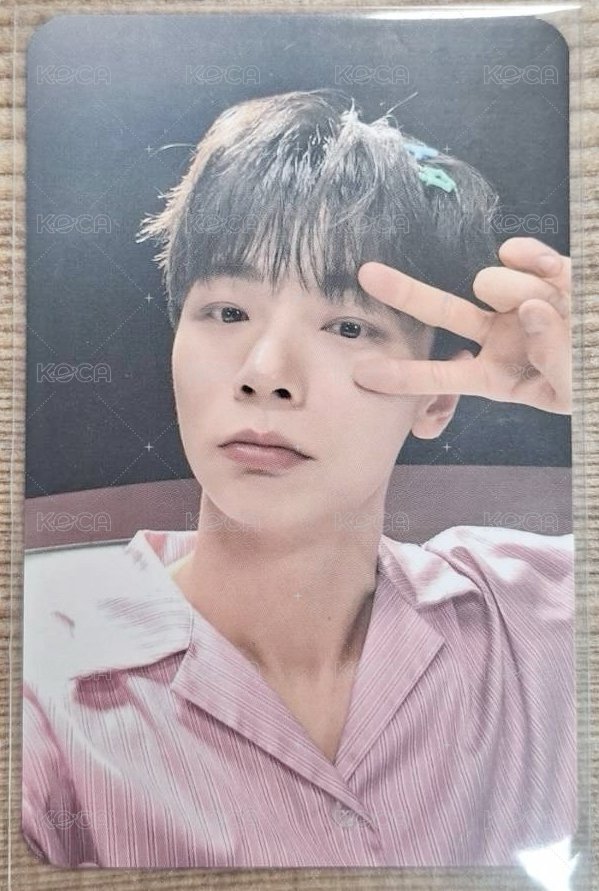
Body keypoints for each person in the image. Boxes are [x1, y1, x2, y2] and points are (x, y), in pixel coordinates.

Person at [22, 89, 575, 869]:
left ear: (437, 395)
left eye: (347, 326)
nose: (264, 372)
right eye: (226, 312)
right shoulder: (44, 678)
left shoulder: (529, 622)